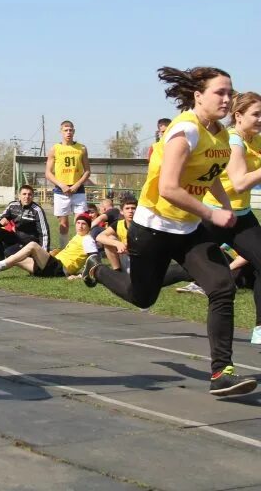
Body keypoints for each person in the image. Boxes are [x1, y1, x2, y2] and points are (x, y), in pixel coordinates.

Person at [82, 66, 256, 397]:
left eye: (230, 92)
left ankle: (222, 372)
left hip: (189, 230)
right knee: (142, 297)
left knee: (221, 286)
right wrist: (211, 213)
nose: (227, 98)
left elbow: (213, 175)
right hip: (153, 229)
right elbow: (169, 188)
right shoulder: (184, 131)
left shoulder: (219, 133)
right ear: (198, 96)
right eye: (220, 92)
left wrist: (225, 206)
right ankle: (96, 268)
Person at [200, 92, 261, 346]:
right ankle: (152, 278)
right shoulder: (234, 141)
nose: (260, 119)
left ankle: (259, 329)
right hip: (215, 216)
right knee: (186, 269)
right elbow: (238, 183)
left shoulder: (256, 139)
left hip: (242, 218)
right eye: (256, 114)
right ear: (238, 116)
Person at [0, 212, 97, 279]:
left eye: (83, 224)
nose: (80, 226)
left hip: (59, 269)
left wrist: (80, 276)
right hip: (51, 266)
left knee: (32, 245)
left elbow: (94, 260)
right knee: (13, 256)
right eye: (78, 223)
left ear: (89, 226)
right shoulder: (78, 236)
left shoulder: (88, 239)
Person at [45, 120, 90, 248]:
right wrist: (62, 185)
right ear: (61, 132)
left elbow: (87, 171)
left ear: (74, 131)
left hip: (78, 190)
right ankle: (63, 250)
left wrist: (76, 185)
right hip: (61, 191)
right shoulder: (55, 149)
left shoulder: (81, 148)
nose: (68, 132)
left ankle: (80, 251)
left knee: (81, 222)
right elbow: (48, 173)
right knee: (63, 224)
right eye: (65, 130)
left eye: (70, 130)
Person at [0, 184, 50, 260]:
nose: (27, 197)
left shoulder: (37, 210)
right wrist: (0, 222)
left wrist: (44, 253)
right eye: (24, 194)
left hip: (30, 242)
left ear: (32, 197)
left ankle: (31, 254)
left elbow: (44, 233)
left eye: (30, 194)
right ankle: (0, 261)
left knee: (8, 253)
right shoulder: (12, 205)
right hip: (16, 237)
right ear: (19, 196)